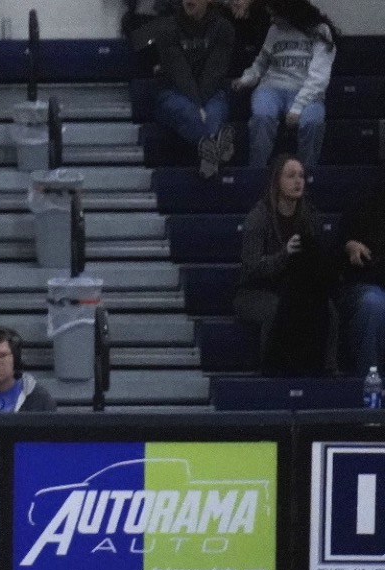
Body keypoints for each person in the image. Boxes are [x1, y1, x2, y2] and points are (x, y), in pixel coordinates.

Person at [236, 153, 332, 373]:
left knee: (329, 310)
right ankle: (270, 373)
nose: (298, 181)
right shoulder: (258, 217)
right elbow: (252, 269)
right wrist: (284, 254)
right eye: (290, 176)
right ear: (276, 181)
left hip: (293, 289)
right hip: (253, 292)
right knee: (276, 309)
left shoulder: (310, 216)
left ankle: (327, 371)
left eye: (301, 176)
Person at [233, 0, 336, 171]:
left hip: (306, 91)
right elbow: (261, 63)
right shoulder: (274, 31)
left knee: (313, 123)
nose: (272, 19)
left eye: (275, 14)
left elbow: (319, 77)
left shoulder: (320, 30)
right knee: (262, 117)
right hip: (272, 87)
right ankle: (256, 171)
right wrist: (246, 79)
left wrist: (297, 107)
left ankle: (305, 174)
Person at [156, 0, 235, 179]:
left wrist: (202, 104)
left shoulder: (223, 28)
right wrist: (197, 106)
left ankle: (210, 154)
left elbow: (214, 72)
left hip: (212, 92)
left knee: (214, 113)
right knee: (188, 112)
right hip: (174, 91)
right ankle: (218, 146)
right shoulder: (167, 27)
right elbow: (179, 72)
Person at [339, 176, 385, 375]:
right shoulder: (365, 203)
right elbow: (336, 247)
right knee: (373, 303)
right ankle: (371, 386)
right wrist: (349, 246)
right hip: (361, 284)